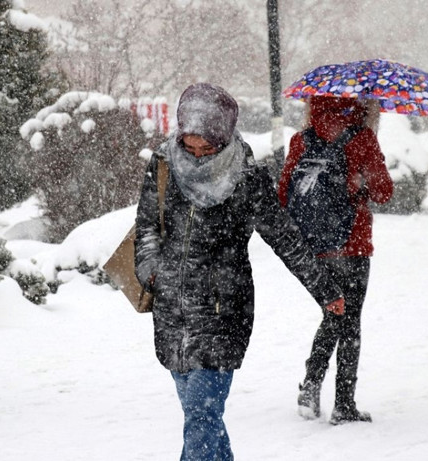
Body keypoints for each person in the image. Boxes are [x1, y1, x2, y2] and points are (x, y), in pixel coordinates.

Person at [134, 83, 345, 460]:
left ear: (223, 138)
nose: (197, 156)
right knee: (203, 419)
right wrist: (151, 270)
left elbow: (284, 237)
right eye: (190, 147)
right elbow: (147, 226)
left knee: (201, 417)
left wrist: (325, 290)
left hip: (221, 313)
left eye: (207, 149)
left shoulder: (245, 176)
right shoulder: (164, 163)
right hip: (172, 314)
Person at [278, 95, 393, 424]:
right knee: (349, 321)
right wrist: (362, 183)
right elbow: (384, 191)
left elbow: (284, 193)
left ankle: (311, 386)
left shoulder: (301, 140)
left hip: (315, 247)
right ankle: (343, 403)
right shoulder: (362, 138)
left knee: (333, 312)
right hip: (351, 244)